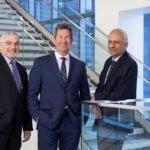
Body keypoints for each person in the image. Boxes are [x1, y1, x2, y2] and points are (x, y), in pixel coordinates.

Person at [28, 23, 91, 150]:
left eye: (67, 37)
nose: (64, 40)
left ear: (72, 40)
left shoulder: (80, 66)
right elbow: (32, 94)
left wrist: (82, 118)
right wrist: (38, 117)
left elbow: (85, 95)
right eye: (60, 36)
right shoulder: (41, 63)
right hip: (47, 121)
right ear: (54, 38)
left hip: (72, 121)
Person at [92, 28, 138, 150]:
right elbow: (101, 86)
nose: (111, 45)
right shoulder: (109, 61)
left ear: (126, 45)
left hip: (117, 119)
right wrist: (96, 104)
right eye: (110, 42)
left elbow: (120, 95)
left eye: (116, 42)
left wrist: (96, 99)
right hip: (103, 117)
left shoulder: (130, 64)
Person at [0, 31, 33, 150]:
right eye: (9, 43)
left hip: (16, 130)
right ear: (0, 45)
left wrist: (27, 126)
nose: (13, 47)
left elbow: (24, 99)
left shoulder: (21, 69)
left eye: (16, 44)